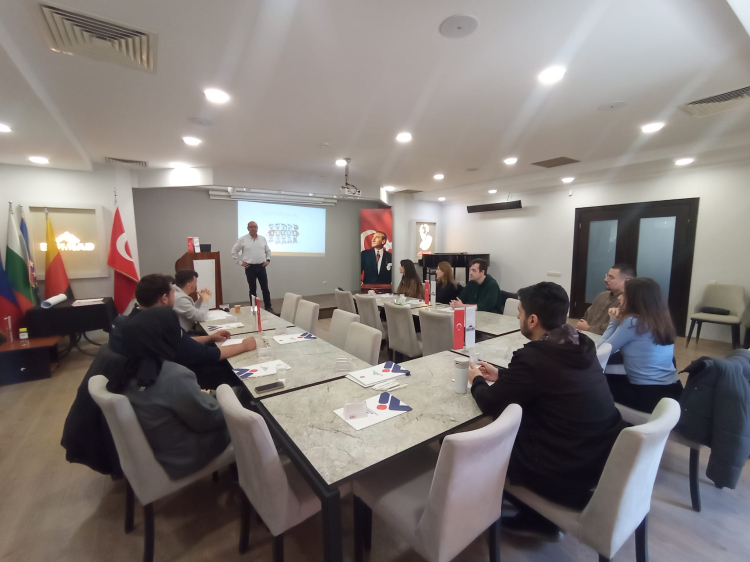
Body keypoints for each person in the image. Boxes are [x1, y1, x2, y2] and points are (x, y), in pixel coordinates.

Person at [468, 282, 625, 538]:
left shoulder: (534, 357)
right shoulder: (582, 343)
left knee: (482, 442)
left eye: (519, 312)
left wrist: (476, 380)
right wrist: (504, 375)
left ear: (532, 320)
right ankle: (536, 518)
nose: (517, 317)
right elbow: (550, 381)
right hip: (599, 456)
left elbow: (491, 402)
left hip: (563, 470)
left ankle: (508, 513)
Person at [106, 307, 231, 481]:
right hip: (183, 455)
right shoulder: (173, 376)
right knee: (248, 408)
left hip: (158, 446)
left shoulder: (128, 368)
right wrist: (227, 397)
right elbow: (210, 419)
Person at [111, 274, 256, 389]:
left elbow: (181, 340)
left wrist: (210, 338)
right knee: (235, 368)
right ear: (164, 298)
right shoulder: (158, 324)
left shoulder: (132, 321)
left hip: (166, 371)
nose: (176, 296)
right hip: (184, 378)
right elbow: (207, 355)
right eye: (173, 293)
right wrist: (244, 345)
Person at [597, 277, 683, 413]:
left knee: (593, 382)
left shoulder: (633, 322)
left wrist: (613, 322)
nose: (619, 297)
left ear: (635, 299)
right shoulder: (662, 321)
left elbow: (601, 351)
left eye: (624, 294)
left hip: (648, 396)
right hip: (674, 391)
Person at [576, 263, 636, 335]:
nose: (605, 279)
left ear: (626, 281)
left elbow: (614, 327)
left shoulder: (627, 302)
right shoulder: (602, 295)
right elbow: (587, 315)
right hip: (586, 335)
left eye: (611, 277)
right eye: (607, 276)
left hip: (604, 339)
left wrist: (588, 328)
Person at [231, 221, 274, 312]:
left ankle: (268, 307)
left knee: (265, 288)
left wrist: (268, 260)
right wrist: (240, 262)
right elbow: (234, 251)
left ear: (257, 228)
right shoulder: (242, 239)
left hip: (261, 266)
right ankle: (254, 309)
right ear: (248, 228)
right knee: (252, 290)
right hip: (250, 267)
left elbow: (268, 251)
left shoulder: (262, 239)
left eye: (255, 226)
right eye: (251, 227)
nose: (253, 228)